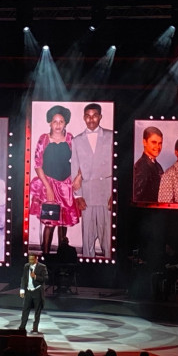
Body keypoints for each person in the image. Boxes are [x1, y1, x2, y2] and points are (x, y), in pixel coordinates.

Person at [28, 105, 80, 255]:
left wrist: (78, 178)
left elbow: (79, 160)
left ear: (66, 123)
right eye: (55, 121)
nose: (58, 125)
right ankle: (45, 259)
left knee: (63, 222)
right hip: (48, 184)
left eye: (61, 121)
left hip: (66, 186)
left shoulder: (70, 138)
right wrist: (48, 188)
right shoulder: (44, 139)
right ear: (49, 123)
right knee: (50, 223)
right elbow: (37, 165)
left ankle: (62, 257)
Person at [69, 103, 114, 257]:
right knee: (87, 237)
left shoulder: (111, 136)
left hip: (106, 192)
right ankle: (88, 270)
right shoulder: (76, 140)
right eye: (88, 116)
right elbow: (74, 169)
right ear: (84, 118)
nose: (91, 119)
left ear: (100, 117)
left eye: (94, 115)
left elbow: (118, 167)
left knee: (107, 237)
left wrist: (115, 194)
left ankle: (109, 269)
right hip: (87, 193)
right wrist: (78, 195)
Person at [18, 253, 48, 334]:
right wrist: (22, 289)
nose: (30, 261)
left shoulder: (42, 267)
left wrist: (35, 276)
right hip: (28, 291)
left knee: (37, 311)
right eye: (29, 259)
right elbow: (24, 278)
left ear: (36, 259)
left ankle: (35, 328)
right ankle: (22, 327)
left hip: (37, 291)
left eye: (32, 259)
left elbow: (45, 278)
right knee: (25, 310)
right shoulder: (26, 266)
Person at [133, 126, 164, 202]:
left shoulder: (157, 165)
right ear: (144, 142)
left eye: (160, 143)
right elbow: (136, 199)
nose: (157, 147)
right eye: (154, 142)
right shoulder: (141, 167)